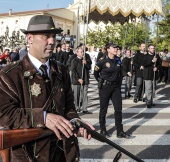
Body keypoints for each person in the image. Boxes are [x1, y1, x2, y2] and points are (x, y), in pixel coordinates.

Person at [0, 15, 94, 162]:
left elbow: (69, 106)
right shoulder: (10, 74)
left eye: (53, 36)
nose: (51, 41)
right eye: (46, 36)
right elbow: (4, 114)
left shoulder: (61, 70)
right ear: (30, 38)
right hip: (29, 155)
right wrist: (43, 118)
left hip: (63, 153)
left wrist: (77, 122)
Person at [94, 42, 131, 139]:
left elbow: (121, 71)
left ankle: (120, 131)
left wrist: (126, 73)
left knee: (118, 109)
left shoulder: (118, 59)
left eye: (116, 47)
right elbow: (95, 73)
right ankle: (103, 130)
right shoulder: (102, 60)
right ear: (108, 49)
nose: (116, 49)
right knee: (103, 109)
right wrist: (101, 82)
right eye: (113, 47)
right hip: (105, 87)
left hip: (116, 88)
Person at [71, 46, 92, 114]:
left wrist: (86, 63)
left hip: (85, 79)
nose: (83, 53)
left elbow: (89, 67)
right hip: (77, 81)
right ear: (77, 53)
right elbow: (73, 71)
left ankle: (84, 108)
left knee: (85, 94)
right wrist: (78, 79)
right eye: (81, 52)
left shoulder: (85, 59)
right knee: (76, 95)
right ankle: (77, 107)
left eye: (83, 52)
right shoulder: (74, 60)